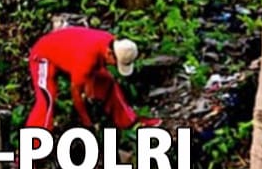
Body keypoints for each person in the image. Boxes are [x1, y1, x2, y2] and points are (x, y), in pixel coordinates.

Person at [26, 26, 161, 130]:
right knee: (47, 99)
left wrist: (90, 91)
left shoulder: (109, 41)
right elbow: (76, 93)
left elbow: (93, 72)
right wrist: (86, 121)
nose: (114, 65)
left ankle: (129, 122)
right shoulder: (87, 58)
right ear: (110, 54)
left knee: (108, 82)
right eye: (116, 62)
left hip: (68, 55)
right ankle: (30, 151)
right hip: (43, 55)